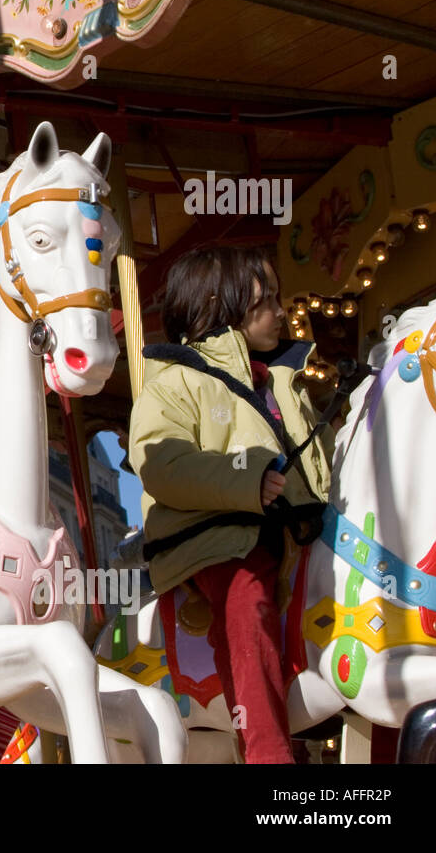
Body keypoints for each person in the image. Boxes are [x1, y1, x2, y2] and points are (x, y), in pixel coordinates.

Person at [128, 246, 332, 763]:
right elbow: (163, 463)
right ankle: (268, 754)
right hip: (216, 537)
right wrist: (246, 478)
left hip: (293, 530)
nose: (282, 313)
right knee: (246, 594)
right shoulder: (174, 382)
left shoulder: (282, 381)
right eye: (267, 302)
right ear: (223, 307)